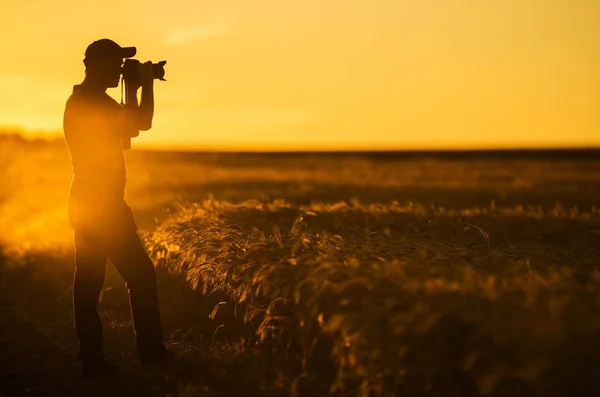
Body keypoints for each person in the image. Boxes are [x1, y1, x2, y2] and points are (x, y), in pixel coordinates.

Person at [63, 38, 170, 377]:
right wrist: (147, 85)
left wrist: (134, 87)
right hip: (103, 204)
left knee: (90, 282)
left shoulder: (86, 99)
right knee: (139, 275)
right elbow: (142, 123)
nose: (119, 69)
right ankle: (151, 356)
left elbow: (128, 130)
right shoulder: (92, 104)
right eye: (114, 63)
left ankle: (92, 360)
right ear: (91, 64)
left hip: (89, 200)